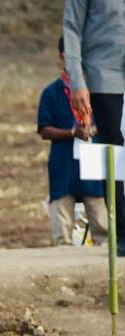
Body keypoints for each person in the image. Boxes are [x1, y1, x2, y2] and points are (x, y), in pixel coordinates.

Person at [63, 0, 125, 255]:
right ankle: (123, 234)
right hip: (105, 80)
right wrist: (77, 81)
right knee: (116, 156)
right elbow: (72, 31)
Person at [38, 37, 108, 246]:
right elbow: (44, 129)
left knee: (99, 214)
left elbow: (110, 121)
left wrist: (94, 129)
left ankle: (102, 261)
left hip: (93, 160)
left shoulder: (98, 90)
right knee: (62, 216)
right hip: (63, 160)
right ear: (62, 57)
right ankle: (64, 257)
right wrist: (71, 132)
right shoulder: (51, 93)